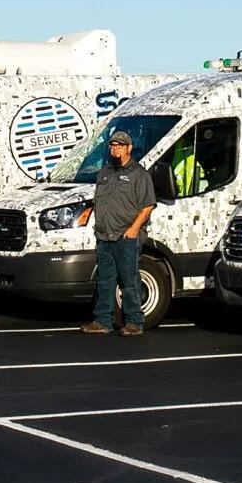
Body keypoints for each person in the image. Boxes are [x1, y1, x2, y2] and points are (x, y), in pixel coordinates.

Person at [83, 131, 157, 336]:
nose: (115, 148)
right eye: (112, 145)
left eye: (120, 145)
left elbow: (148, 205)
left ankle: (134, 321)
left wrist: (134, 230)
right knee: (105, 280)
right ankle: (103, 321)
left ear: (129, 148)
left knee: (129, 279)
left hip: (126, 236)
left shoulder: (138, 174)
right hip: (104, 235)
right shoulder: (104, 172)